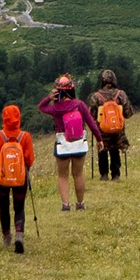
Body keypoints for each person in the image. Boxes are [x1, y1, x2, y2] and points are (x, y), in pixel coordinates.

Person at [39, 74, 93, 210]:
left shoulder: (56, 109)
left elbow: (41, 107)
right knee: (78, 174)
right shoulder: (79, 105)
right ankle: (80, 204)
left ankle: (65, 205)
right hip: (79, 143)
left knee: (63, 175)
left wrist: (49, 98)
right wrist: (99, 139)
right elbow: (91, 123)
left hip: (63, 144)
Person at [0, 104, 34, 253]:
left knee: (3, 206)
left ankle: (7, 236)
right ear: (19, 118)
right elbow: (29, 161)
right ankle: (19, 233)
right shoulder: (25, 137)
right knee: (19, 207)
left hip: (1, 180)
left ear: (3, 118)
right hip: (20, 179)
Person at [91, 70, 133, 183]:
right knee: (115, 149)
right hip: (117, 130)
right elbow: (128, 113)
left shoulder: (96, 97)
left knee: (102, 149)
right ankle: (116, 174)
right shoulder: (121, 95)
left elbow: (93, 115)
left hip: (102, 130)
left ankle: (104, 174)